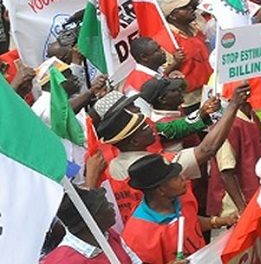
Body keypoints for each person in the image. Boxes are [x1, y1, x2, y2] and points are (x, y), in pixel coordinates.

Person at [95, 83, 250, 222]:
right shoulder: (157, 166)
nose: (150, 126)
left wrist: (202, 113)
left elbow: (173, 128)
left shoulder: (105, 164)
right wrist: (233, 106)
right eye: (130, 108)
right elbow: (206, 150)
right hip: (168, 233)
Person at [122, 154, 236, 263]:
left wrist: (221, 221)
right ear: (161, 190)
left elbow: (191, 221)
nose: (183, 179)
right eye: (175, 178)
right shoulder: (138, 235)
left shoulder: (182, 198)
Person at [41, 186, 142, 263]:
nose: (112, 207)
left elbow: (133, 259)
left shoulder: (108, 234)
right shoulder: (64, 261)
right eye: (106, 206)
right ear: (91, 219)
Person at [160, 0, 212, 109]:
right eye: (184, 8)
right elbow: (161, 77)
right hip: (189, 101)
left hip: (210, 91)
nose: (190, 9)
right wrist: (175, 63)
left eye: (189, 6)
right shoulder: (164, 40)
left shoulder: (195, 28)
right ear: (172, 15)